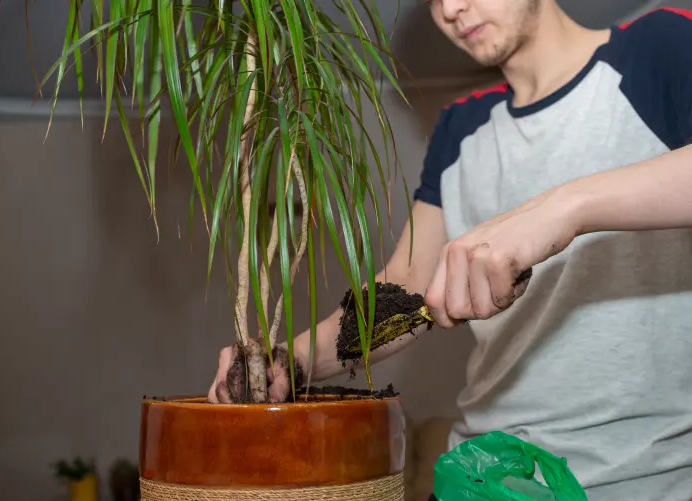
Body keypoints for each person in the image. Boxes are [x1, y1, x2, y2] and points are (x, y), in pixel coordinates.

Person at [210, 0, 692, 499]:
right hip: (481, 474)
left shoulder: (658, 48)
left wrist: (563, 207)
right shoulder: (461, 126)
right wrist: (291, 360)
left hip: (637, 480)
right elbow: (405, 287)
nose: (451, 10)